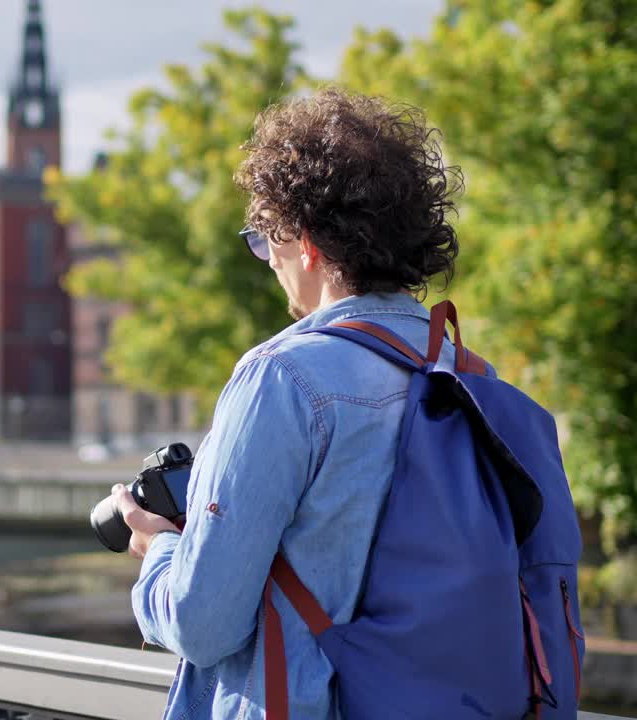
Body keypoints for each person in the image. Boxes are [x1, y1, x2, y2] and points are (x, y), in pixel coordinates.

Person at [111, 88, 466, 719]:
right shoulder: (462, 373)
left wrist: (160, 550)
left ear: (304, 241)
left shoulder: (284, 378)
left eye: (263, 239)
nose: (267, 261)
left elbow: (204, 622)